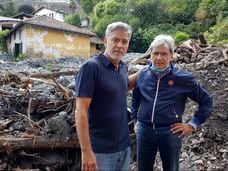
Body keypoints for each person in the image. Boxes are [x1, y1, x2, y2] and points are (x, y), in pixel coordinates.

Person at [131, 34, 213, 171]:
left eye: (164, 53)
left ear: (171, 55)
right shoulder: (143, 74)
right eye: (155, 53)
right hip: (145, 130)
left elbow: (206, 101)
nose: (159, 58)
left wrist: (192, 125)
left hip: (170, 131)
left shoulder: (184, 78)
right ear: (150, 54)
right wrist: (135, 120)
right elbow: (135, 98)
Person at [75, 21, 137, 171]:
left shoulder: (122, 67)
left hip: (123, 146)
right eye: (115, 40)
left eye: (124, 41)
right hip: (100, 151)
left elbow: (124, 85)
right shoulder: (91, 68)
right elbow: (80, 111)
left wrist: (150, 68)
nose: (120, 45)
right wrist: (86, 152)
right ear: (105, 40)